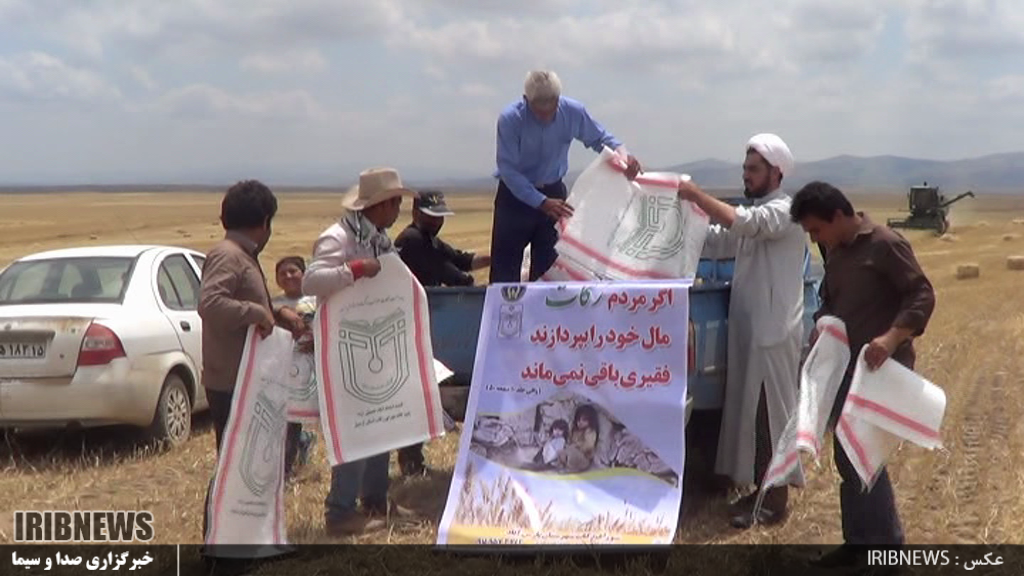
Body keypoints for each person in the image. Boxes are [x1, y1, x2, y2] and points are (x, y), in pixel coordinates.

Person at [790, 181, 935, 568]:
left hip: (881, 370)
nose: (815, 238)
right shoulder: (836, 251)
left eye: (816, 230)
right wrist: (821, 324)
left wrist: (889, 339)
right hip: (845, 368)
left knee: (864, 457)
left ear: (838, 216)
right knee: (847, 456)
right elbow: (831, 301)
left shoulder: (886, 244)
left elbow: (922, 294)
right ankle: (859, 543)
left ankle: (885, 547)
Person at [676, 134, 807, 529]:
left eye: (754, 169)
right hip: (753, 332)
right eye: (745, 169)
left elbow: (742, 223)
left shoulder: (785, 212)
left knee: (771, 418)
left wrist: (697, 196)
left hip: (772, 333)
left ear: (776, 173)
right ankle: (761, 492)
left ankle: (776, 501)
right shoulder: (757, 213)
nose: (746, 176)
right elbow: (719, 241)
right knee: (752, 417)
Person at [302, 167, 417, 537]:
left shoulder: (379, 239)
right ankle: (339, 511)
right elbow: (312, 280)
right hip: (345, 347)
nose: (399, 208)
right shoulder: (338, 239)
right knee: (355, 428)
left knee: (380, 422)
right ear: (378, 205)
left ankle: (375, 499)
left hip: (378, 341)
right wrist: (353, 270)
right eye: (395, 202)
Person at [197, 180, 304, 543]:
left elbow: (242, 305)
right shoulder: (228, 255)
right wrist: (256, 310)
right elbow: (211, 304)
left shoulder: (242, 257)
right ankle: (218, 545)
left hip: (243, 379)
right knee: (231, 465)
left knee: (243, 464)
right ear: (263, 221)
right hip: (231, 381)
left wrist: (276, 314)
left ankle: (239, 542)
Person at [490, 70, 642, 283]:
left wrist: (624, 157)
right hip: (516, 196)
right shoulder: (510, 119)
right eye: (538, 110)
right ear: (526, 100)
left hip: (554, 194)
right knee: (504, 272)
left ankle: (545, 316)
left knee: (549, 269)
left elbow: (600, 138)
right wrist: (540, 202)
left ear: (558, 100)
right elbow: (508, 170)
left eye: (550, 108)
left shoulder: (573, 112)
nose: (545, 115)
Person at [394, 190, 491, 475]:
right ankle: (411, 461)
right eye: (431, 217)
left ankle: (412, 461)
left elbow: (461, 259)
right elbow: (454, 274)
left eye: (440, 218)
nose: (436, 222)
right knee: (420, 389)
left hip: (429, 318)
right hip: (417, 320)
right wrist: (467, 281)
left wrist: (503, 254)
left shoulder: (428, 239)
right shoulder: (412, 241)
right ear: (415, 213)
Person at [272, 256, 318, 479]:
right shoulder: (273, 305)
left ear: (304, 273)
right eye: (283, 273)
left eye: (293, 271)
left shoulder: (317, 301)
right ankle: (286, 470)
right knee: (289, 418)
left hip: (313, 368)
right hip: (285, 369)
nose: (288, 276)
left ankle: (303, 443)